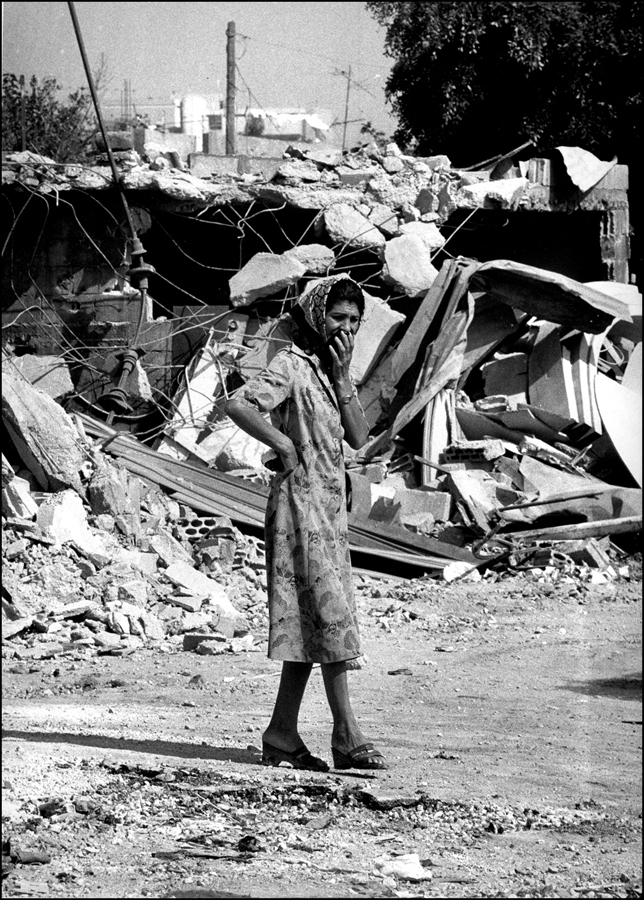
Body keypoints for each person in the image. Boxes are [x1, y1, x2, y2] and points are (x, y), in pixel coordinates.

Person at [224, 274, 387, 772]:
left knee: (307, 623)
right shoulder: (290, 366)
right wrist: (284, 444)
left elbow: (359, 438)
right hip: (298, 508)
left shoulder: (331, 371)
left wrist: (342, 382)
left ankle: (281, 734)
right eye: (338, 317)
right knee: (331, 616)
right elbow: (238, 403)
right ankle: (346, 734)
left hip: (331, 513)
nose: (348, 328)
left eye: (355, 320)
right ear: (317, 316)